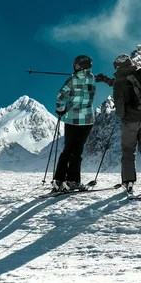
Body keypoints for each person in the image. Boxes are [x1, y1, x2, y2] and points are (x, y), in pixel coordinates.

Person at [95, 54, 141, 193]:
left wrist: (119, 115)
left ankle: (129, 182)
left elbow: (119, 101)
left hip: (130, 121)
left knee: (128, 152)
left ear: (119, 66)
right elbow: (125, 86)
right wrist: (105, 79)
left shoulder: (119, 81)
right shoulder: (139, 75)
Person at [52, 55, 96, 192]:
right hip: (88, 120)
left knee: (68, 149)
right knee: (78, 151)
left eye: (76, 65)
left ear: (79, 65)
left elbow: (60, 96)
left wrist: (60, 110)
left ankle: (59, 180)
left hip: (72, 119)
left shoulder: (72, 80)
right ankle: (73, 181)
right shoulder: (92, 79)